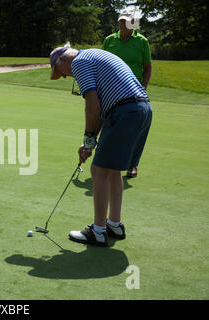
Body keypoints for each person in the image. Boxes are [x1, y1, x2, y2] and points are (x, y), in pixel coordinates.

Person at [49, 45, 152, 247]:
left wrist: (88, 139)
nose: (64, 77)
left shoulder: (78, 63)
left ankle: (98, 231)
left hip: (125, 112)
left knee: (98, 170)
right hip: (141, 110)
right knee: (112, 170)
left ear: (62, 61)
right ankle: (114, 224)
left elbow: (93, 105)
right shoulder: (95, 55)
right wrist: (91, 140)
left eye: (60, 73)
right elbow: (106, 107)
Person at [102, 8, 152, 178]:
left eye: (126, 21)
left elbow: (147, 67)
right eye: (120, 21)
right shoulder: (109, 40)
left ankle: (132, 164)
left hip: (133, 92)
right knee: (108, 124)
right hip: (111, 90)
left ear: (133, 23)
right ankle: (106, 162)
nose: (122, 24)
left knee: (136, 129)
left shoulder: (142, 41)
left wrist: (143, 88)